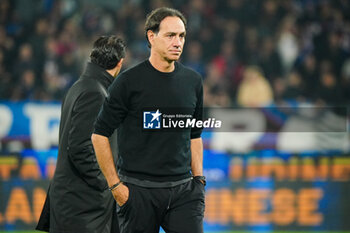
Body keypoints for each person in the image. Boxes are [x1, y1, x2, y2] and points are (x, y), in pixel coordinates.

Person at [91, 7, 205, 233]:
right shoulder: (128, 82)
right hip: (138, 192)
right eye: (170, 35)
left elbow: (194, 135)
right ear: (151, 37)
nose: (178, 42)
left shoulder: (193, 81)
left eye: (181, 36)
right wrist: (116, 187)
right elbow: (99, 135)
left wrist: (199, 180)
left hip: (184, 193)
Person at [36, 35, 126, 233]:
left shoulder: (80, 87)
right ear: (120, 63)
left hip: (75, 203)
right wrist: (109, 182)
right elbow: (80, 148)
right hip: (82, 207)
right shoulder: (95, 93)